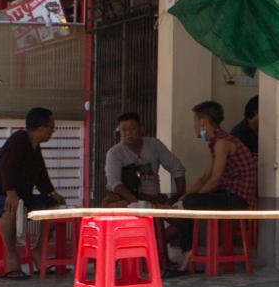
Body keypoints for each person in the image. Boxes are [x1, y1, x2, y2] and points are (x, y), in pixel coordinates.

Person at [169, 101, 258, 275]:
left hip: (237, 199)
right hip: (225, 195)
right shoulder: (215, 142)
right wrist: (184, 197)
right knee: (178, 200)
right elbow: (204, 178)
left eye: (195, 120)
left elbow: (215, 180)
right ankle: (188, 251)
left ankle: (188, 254)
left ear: (203, 121)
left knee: (187, 203)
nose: (194, 125)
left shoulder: (222, 143)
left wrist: (189, 201)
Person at [0, 107, 64, 280]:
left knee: (57, 206)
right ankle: (11, 257)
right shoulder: (18, 140)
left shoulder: (35, 146)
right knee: (9, 207)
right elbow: (5, 166)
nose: (52, 131)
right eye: (51, 127)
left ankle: (39, 250)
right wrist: (10, 193)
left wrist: (53, 193)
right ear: (40, 127)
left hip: (23, 199)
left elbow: (41, 175)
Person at [102, 112, 187, 207]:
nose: (128, 133)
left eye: (132, 128)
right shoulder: (114, 153)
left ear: (141, 129)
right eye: (124, 130)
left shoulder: (154, 144)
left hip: (155, 200)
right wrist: (136, 203)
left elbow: (177, 168)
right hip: (127, 201)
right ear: (119, 132)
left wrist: (180, 197)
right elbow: (114, 182)